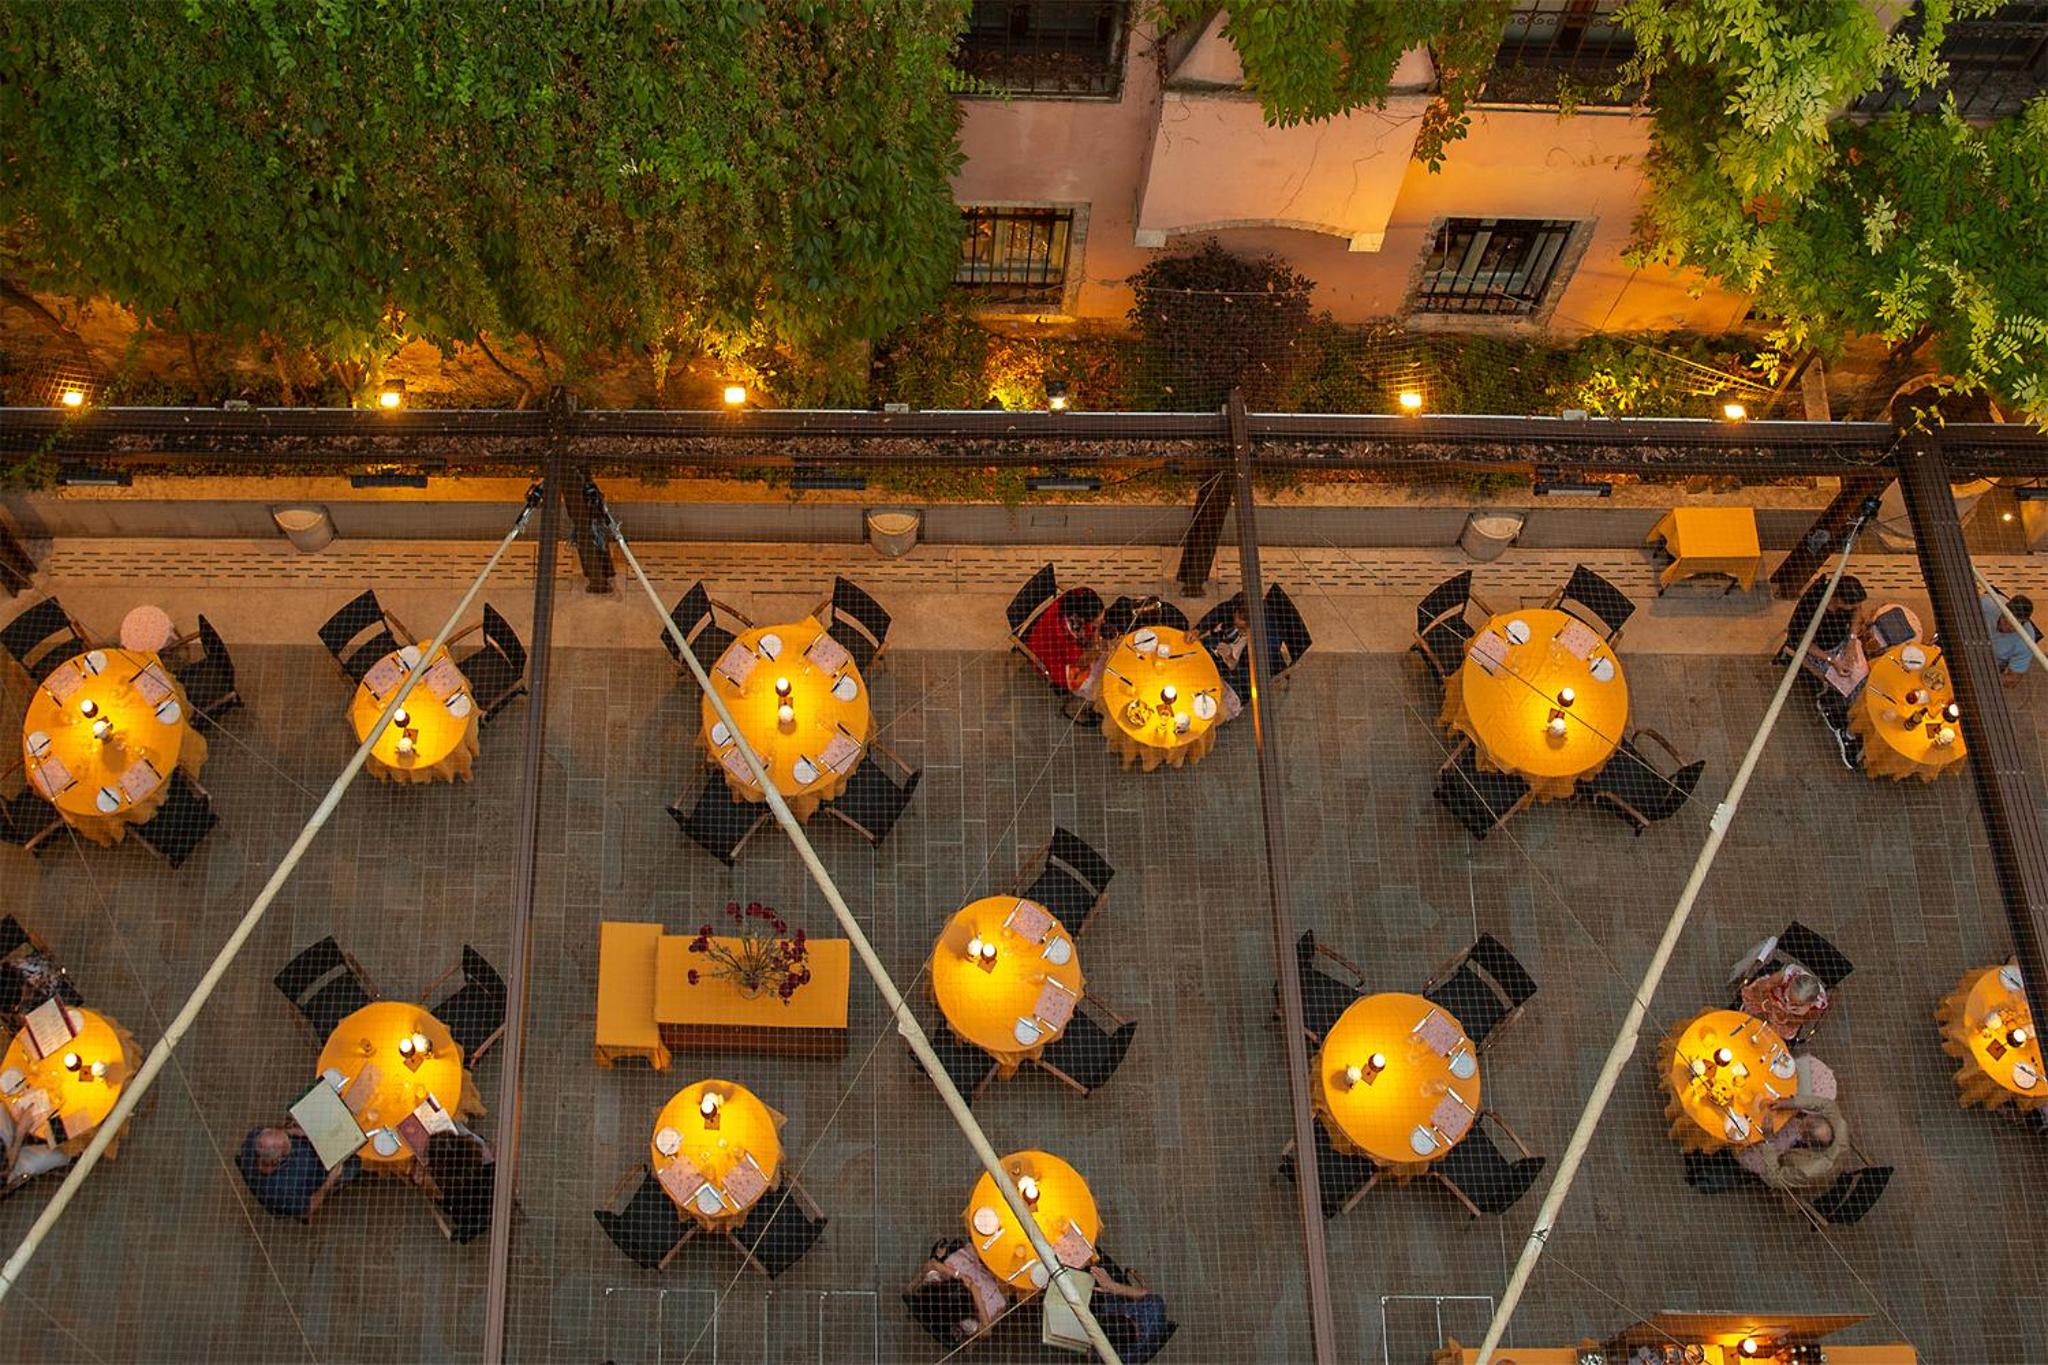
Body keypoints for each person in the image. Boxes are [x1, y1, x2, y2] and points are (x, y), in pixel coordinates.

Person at [236, 1122, 359, 1221]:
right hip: (320, 1172)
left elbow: (278, 1132)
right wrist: (329, 1181)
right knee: (355, 1162)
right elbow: (308, 1210)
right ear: (276, 1161)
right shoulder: (283, 1191)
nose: (291, 1141)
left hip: (311, 1150)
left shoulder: (255, 1138)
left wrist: (292, 1132)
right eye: (288, 1148)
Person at [1734, 1096, 1850, 1194]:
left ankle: (1736, 1171)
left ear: (1807, 1142)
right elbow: (1826, 1104)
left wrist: (1768, 1140)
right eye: (1804, 1119)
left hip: (1794, 1169)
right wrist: (1789, 1103)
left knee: (1746, 1154)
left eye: (1801, 1128)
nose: (1799, 1123)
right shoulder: (1837, 1122)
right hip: (1823, 1154)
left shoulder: (1806, 1171)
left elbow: (1774, 1179)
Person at [904, 1238, 1005, 1346]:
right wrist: (978, 1297)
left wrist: (958, 1275)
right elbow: (987, 1332)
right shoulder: (967, 1323)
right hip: (984, 1291)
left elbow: (932, 1264)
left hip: (935, 1306)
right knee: (1001, 1298)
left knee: (965, 1256)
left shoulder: (934, 1282)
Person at [1192, 593, 1282, 710]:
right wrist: (1198, 629)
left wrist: (1232, 662)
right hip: (1220, 653)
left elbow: (1256, 677)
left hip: (1238, 678)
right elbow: (1220, 612)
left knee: (1212, 706)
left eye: (1242, 629)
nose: (1237, 628)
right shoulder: (1241, 602)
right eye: (1236, 623)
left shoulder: (1267, 644)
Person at [411, 1128, 494, 1243]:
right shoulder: (479, 1153)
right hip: (482, 1193)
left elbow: (440, 1196)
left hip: (464, 1209)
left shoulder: (445, 1185)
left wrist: (425, 1183)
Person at [1088, 1259, 1173, 1363]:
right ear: (1127, 1316)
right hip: (1117, 1295)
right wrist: (1112, 1286)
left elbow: (1090, 1355)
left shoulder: (1121, 1358)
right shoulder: (1153, 1312)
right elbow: (1144, 1293)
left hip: (1098, 1313)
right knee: (1096, 1261)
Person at [1023, 587, 1105, 694]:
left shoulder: (1081, 594)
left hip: (1047, 631)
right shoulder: (1065, 634)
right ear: (1082, 620)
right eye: (1096, 622)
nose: (1101, 623)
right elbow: (1078, 662)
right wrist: (1095, 650)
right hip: (1048, 655)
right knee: (1094, 683)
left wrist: (1095, 634)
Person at [1738, 964, 1830, 1040]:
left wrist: (1789, 1017)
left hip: (1788, 1016)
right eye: (1789, 997)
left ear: (1809, 1004)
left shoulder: (1818, 1005)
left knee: (1775, 1034)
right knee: (1751, 1008)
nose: (1788, 1005)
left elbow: (1804, 1020)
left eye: (1795, 1005)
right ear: (1790, 984)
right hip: (1772, 996)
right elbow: (1760, 988)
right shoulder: (1786, 976)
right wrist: (1768, 1006)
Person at [0, 1099, 70, 1188]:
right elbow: (6, 1171)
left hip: (4, 1146)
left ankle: (24, 1132)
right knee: (60, 1154)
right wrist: (21, 1131)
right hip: (10, 1166)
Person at [1982, 590, 2038, 686]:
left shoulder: (2027, 640)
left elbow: (2012, 680)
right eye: (2005, 620)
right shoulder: (1988, 604)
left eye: (2013, 625)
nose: (2006, 627)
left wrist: (1985, 678)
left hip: (1988, 668)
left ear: (2024, 622)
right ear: (2003, 609)